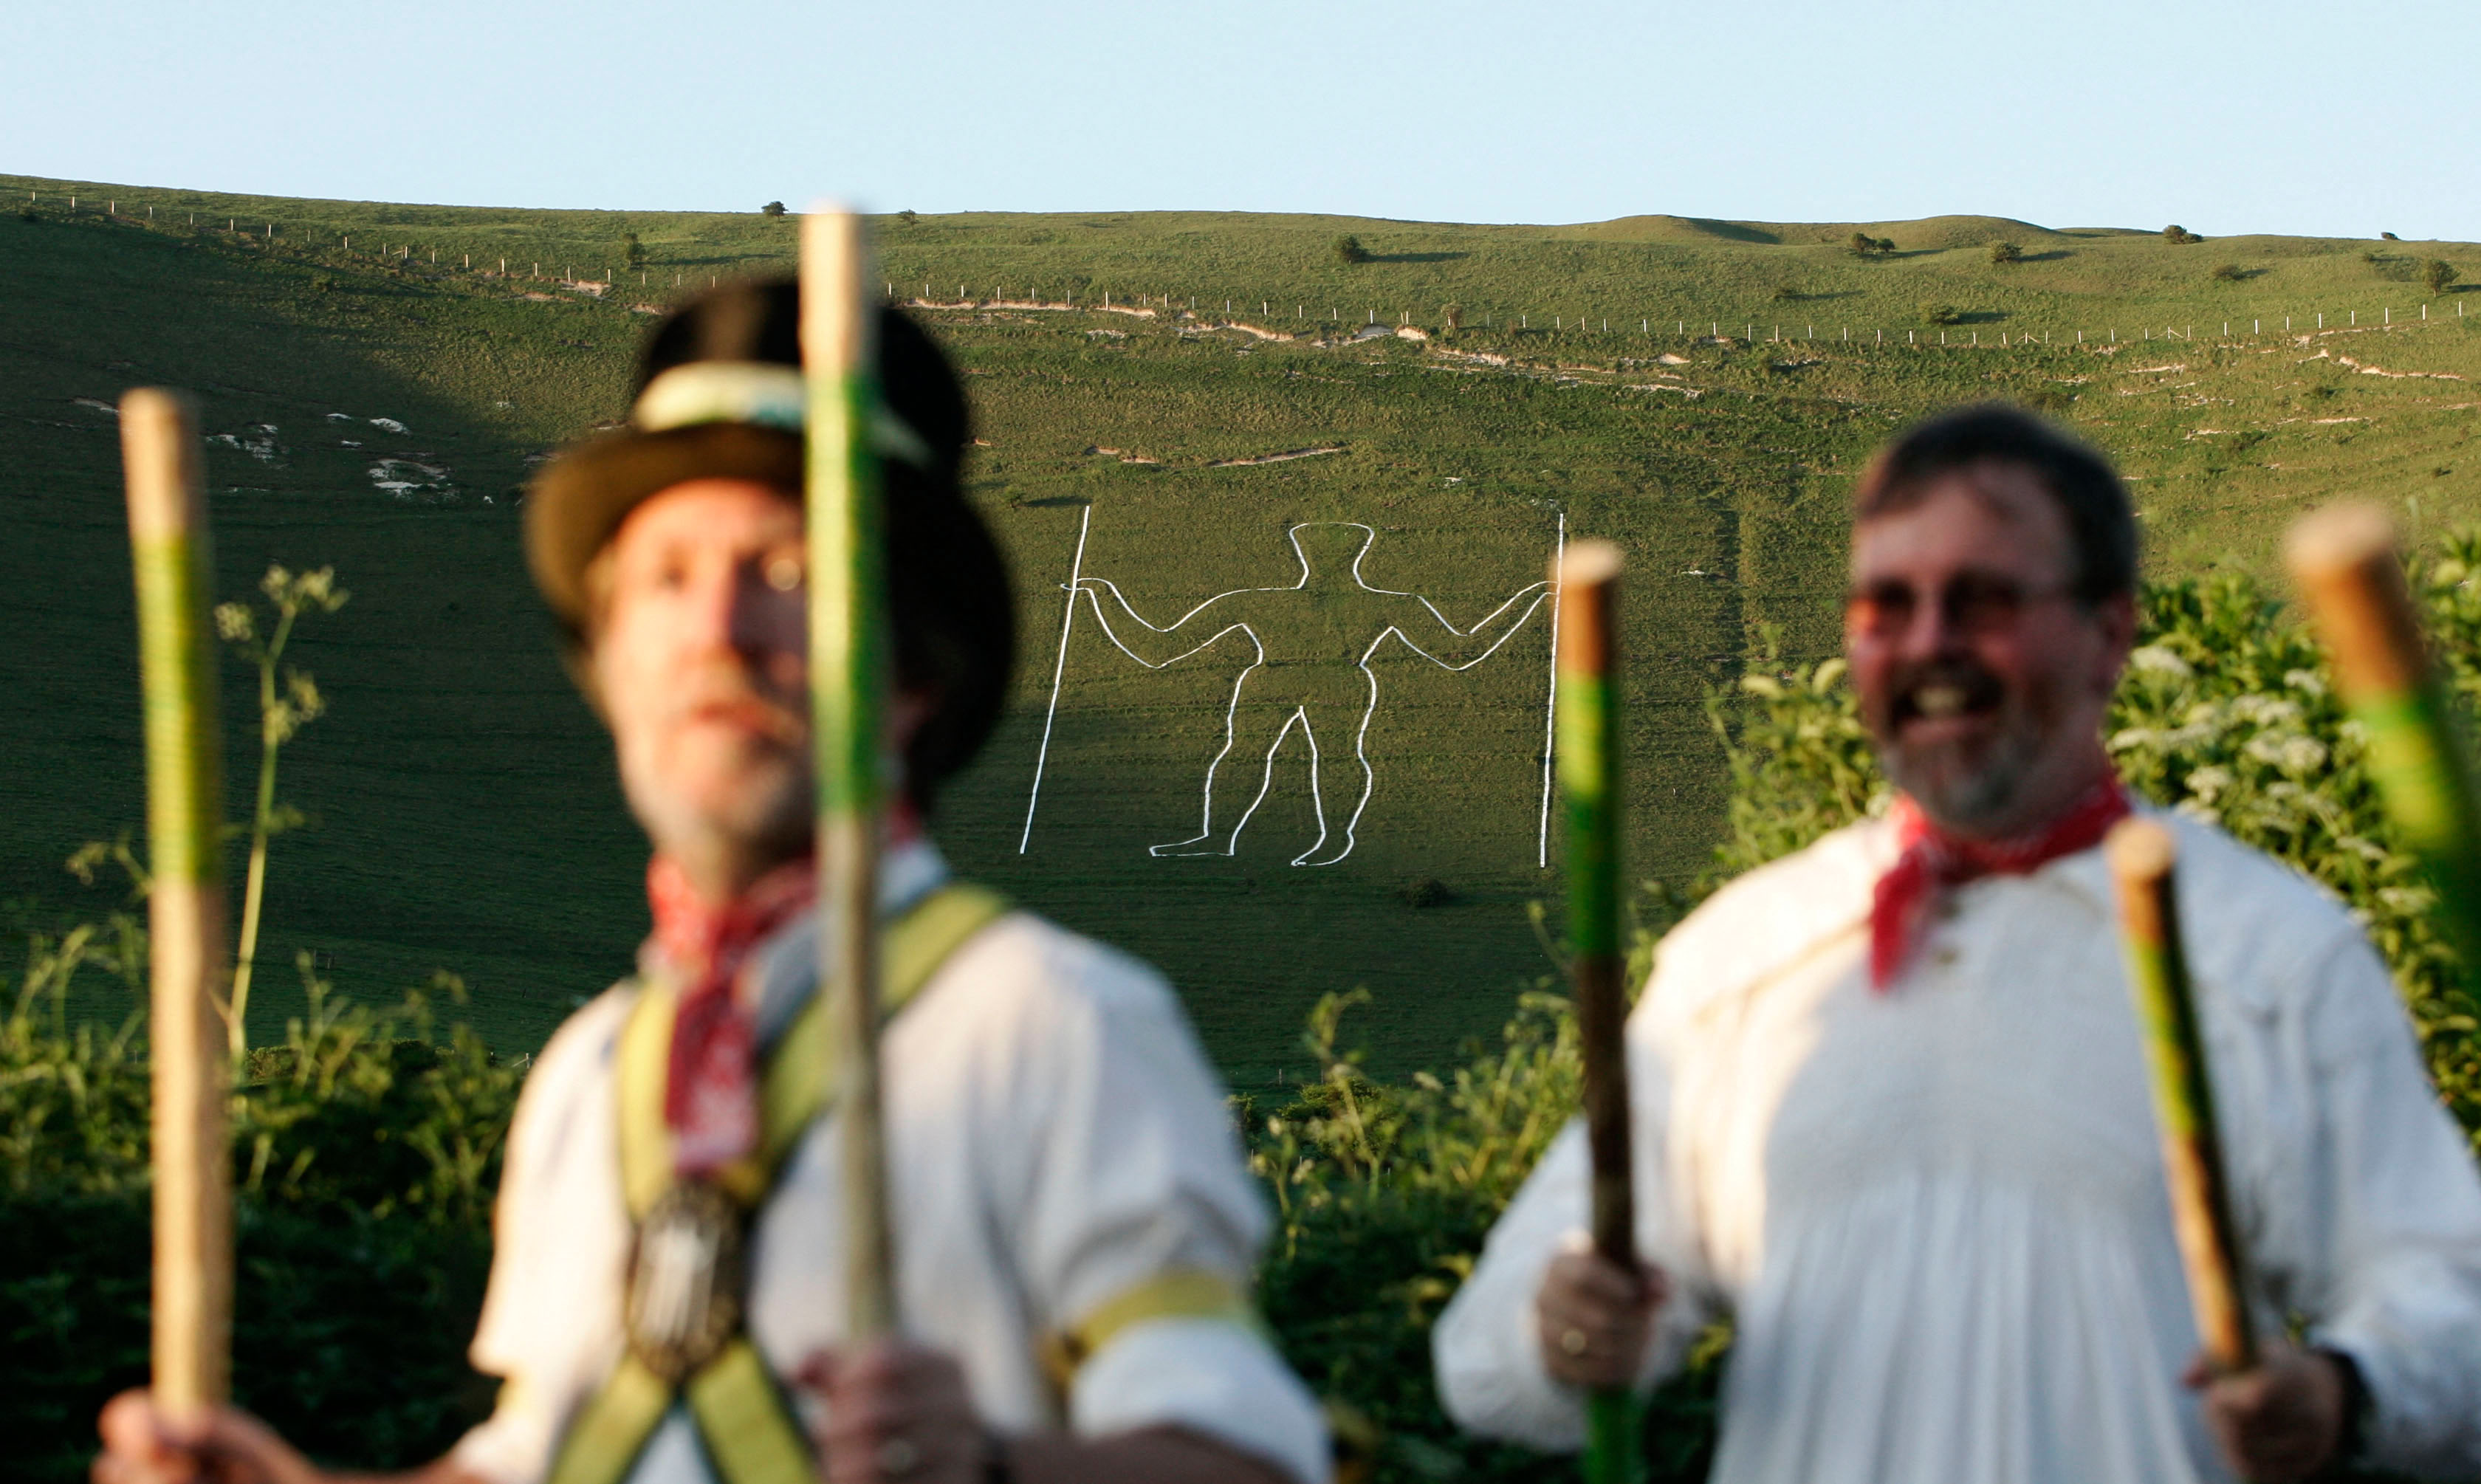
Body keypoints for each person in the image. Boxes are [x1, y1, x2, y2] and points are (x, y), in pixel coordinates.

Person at [95, 280, 1331, 1484]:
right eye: (667, 578)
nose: (719, 631)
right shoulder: (589, 1069)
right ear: (612, 664)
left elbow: (1259, 1461)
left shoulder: (1052, 1025)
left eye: (790, 573)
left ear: (914, 673)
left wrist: (994, 1466)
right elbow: (535, 1458)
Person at [1432, 404, 2481, 1483]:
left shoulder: (2268, 955)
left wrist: (2344, 1395)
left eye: (1984, 600)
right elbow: (1484, 1364)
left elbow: (2454, 1302)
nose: (1930, 641)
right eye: (1888, 605)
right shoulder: (1744, 958)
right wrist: (1564, 1328)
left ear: (2108, 633)